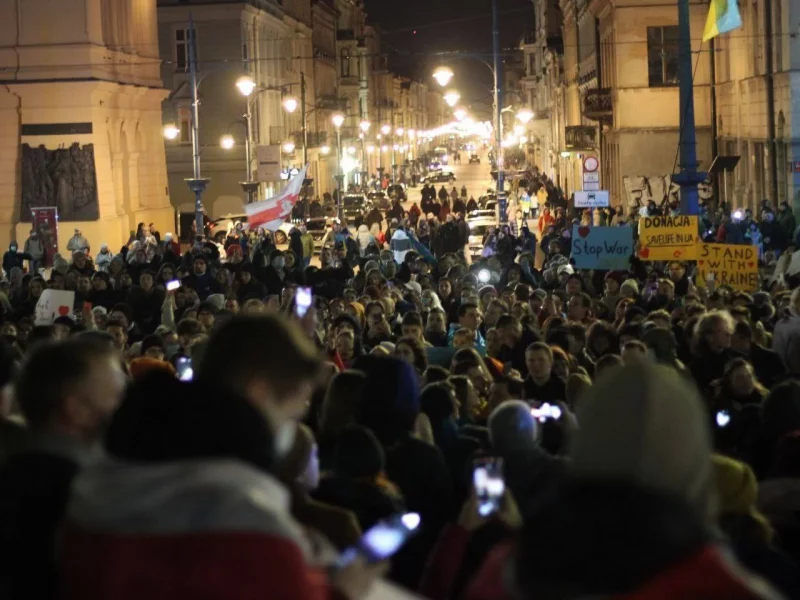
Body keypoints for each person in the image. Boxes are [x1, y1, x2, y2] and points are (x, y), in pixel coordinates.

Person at [59, 315, 386, 600]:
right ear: (260, 393)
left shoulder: (107, 467)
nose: (294, 426)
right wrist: (341, 590)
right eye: (292, 408)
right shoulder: (245, 520)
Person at [0, 338, 127, 599]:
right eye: (117, 397)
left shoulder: (11, 476)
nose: (124, 411)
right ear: (75, 410)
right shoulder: (88, 503)